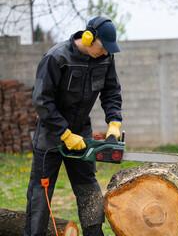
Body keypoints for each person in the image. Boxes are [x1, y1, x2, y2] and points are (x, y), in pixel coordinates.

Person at [24, 16, 123, 236]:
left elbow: (111, 92)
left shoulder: (106, 59)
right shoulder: (55, 57)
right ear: (89, 37)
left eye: (109, 49)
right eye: (103, 47)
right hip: (51, 136)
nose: (106, 52)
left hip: (82, 133)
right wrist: (65, 134)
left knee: (88, 188)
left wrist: (114, 122)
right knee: (41, 195)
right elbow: (41, 101)